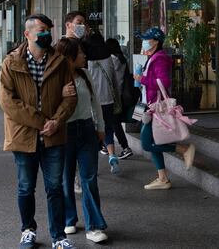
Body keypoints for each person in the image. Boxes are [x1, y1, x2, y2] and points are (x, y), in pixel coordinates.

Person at [0, 14, 79, 249]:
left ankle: (59, 236)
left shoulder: (60, 62)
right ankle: (28, 230)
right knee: (26, 187)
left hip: (54, 136)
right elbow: (8, 102)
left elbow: (70, 98)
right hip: (23, 137)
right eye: (42, 30)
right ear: (27, 34)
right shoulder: (11, 63)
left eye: (49, 30)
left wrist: (56, 121)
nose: (47, 34)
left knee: (55, 188)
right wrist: (42, 121)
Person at [54, 37, 109, 244]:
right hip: (64, 132)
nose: (85, 56)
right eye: (81, 53)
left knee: (89, 178)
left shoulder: (85, 74)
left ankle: (94, 225)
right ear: (70, 56)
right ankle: (69, 218)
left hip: (87, 130)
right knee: (66, 179)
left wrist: (100, 127)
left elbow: (96, 103)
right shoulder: (55, 77)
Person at [134, 27, 196, 190]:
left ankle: (184, 149)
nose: (144, 42)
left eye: (146, 39)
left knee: (147, 143)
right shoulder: (152, 57)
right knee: (151, 141)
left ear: (155, 42)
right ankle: (163, 178)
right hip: (147, 104)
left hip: (155, 107)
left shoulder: (159, 58)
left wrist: (143, 79)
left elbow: (164, 82)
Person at [83, 32, 123, 175]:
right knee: (108, 129)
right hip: (108, 100)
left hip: (92, 101)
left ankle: (93, 165)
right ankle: (112, 156)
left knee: (93, 132)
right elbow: (114, 80)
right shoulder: (108, 58)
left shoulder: (86, 61)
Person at [105, 38, 134, 159]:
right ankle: (109, 145)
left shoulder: (112, 60)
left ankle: (125, 147)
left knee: (114, 123)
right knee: (114, 123)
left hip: (113, 97)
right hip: (121, 95)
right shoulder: (122, 59)